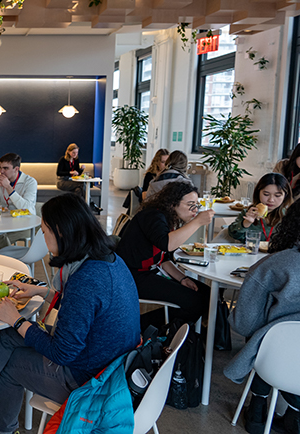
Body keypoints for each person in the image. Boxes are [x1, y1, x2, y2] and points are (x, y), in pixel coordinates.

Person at [0, 193, 141, 434]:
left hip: (92, 378)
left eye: (44, 230)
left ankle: (2, 431)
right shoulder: (107, 259)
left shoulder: (86, 279)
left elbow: (63, 352)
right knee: (8, 335)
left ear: (61, 231)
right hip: (110, 359)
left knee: (10, 364)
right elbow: (86, 312)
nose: (42, 237)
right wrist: (41, 291)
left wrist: (16, 319)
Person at [225, 200, 300, 434]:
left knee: (263, 336)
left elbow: (244, 324)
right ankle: (294, 417)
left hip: (276, 357)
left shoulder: (276, 264)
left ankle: (257, 408)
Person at [116, 181, 213, 328]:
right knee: (194, 301)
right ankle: (142, 328)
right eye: (190, 204)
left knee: (207, 293)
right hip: (131, 276)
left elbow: (164, 258)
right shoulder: (152, 216)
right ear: (173, 203)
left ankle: (188, 334)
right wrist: (197, 222)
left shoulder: (166, 218)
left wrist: (183, 278)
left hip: (150, 272)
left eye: (196, 204)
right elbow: (167, 244)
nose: (195, 209)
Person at [0, 153, 38, 249]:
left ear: (16, 169)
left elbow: (26, 208)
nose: (1, 171)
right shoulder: (1, 180)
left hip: (25, 223)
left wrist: (8, 187)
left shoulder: (30, 182)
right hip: (5, 222)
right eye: (0, 168)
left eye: (5, 168)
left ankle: (6, 259)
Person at [227, 173, 292, 243]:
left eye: (277, 195)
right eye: (266, 194)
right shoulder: (249, 212)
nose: (271, 200)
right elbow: (233, 234)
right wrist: (246, 223)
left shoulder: (289, 215)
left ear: (285, 196)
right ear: (258, 193)